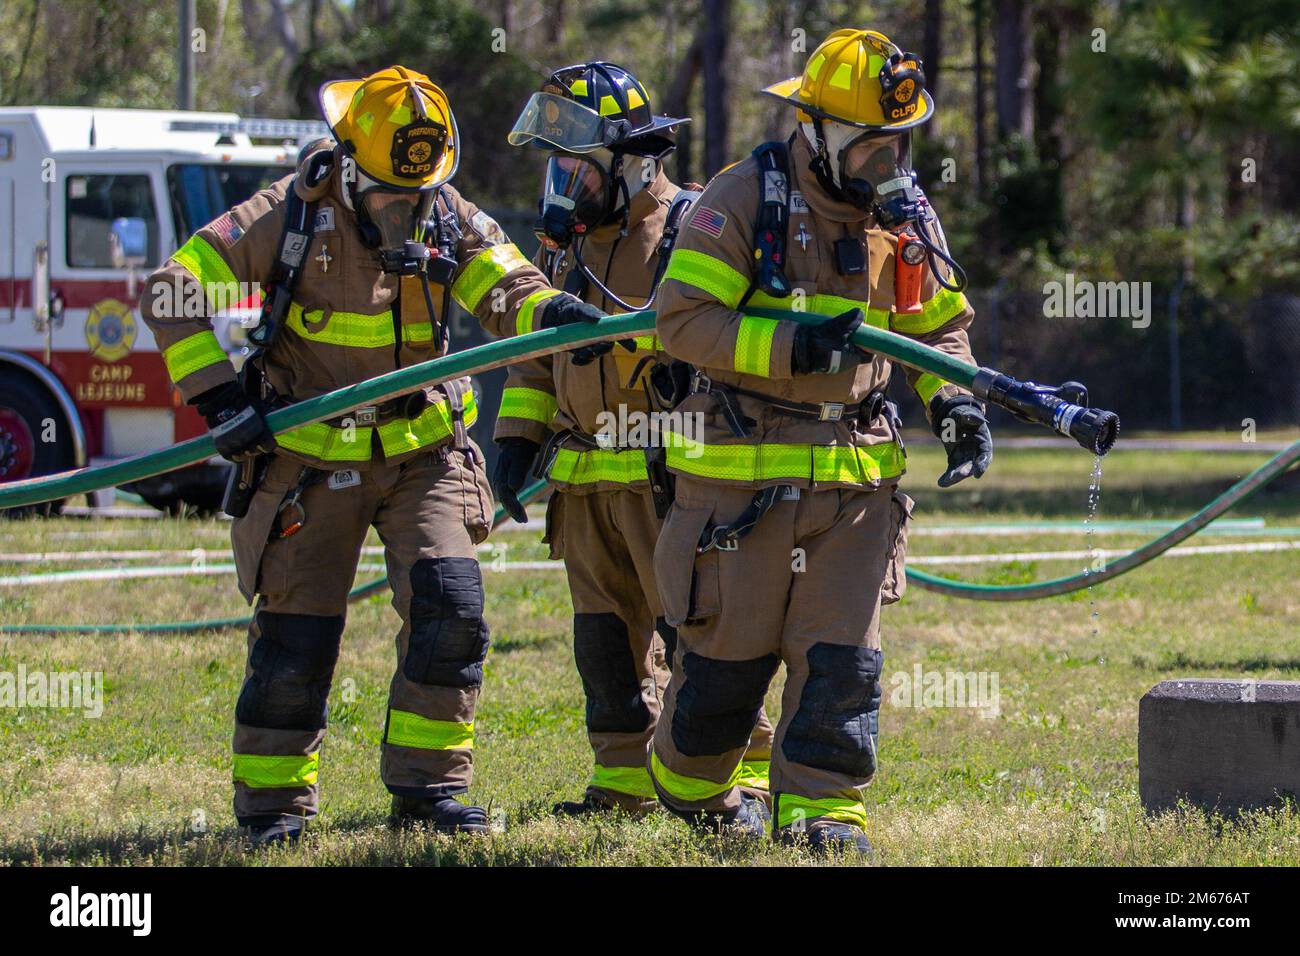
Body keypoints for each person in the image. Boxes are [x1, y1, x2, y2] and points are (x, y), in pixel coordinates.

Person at [141, 66, 562, 845]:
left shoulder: (442, 209)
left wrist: (552, 309)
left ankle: (430, 790)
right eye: (390, 200)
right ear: (348, 167)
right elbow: (171, 289)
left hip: (422, 453)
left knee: (452, 612)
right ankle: (272, 809)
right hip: (310, 461)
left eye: (419, 198)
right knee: (297, 640)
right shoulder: (289, 214)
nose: (408, 215)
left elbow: (507, 286)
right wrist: (220, 400)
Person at [646, 29, 994, 853]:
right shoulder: (740, 200)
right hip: (739, 490)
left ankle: (825, 816)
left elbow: (937, 328)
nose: (889, 161)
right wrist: (791, 348)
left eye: (899, 142)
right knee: (724, 686)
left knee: (842, 665)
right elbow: (680, 322)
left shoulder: (905, 216)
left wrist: (955, 405)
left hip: (855, 487)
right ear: (816, 130)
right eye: (871, 144)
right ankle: (689, 780)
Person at [491, 62, 776, 817]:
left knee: (700, 638)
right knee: (605, 644)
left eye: (573, 167)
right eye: (553, 165)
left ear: (629, 160)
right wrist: (517, 436)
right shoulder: (567, 248)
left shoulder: (691, 229)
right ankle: (620, 780)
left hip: (671, 478)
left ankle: (740, 775)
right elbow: (535, 361)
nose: (559, 182)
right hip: (584, 485)